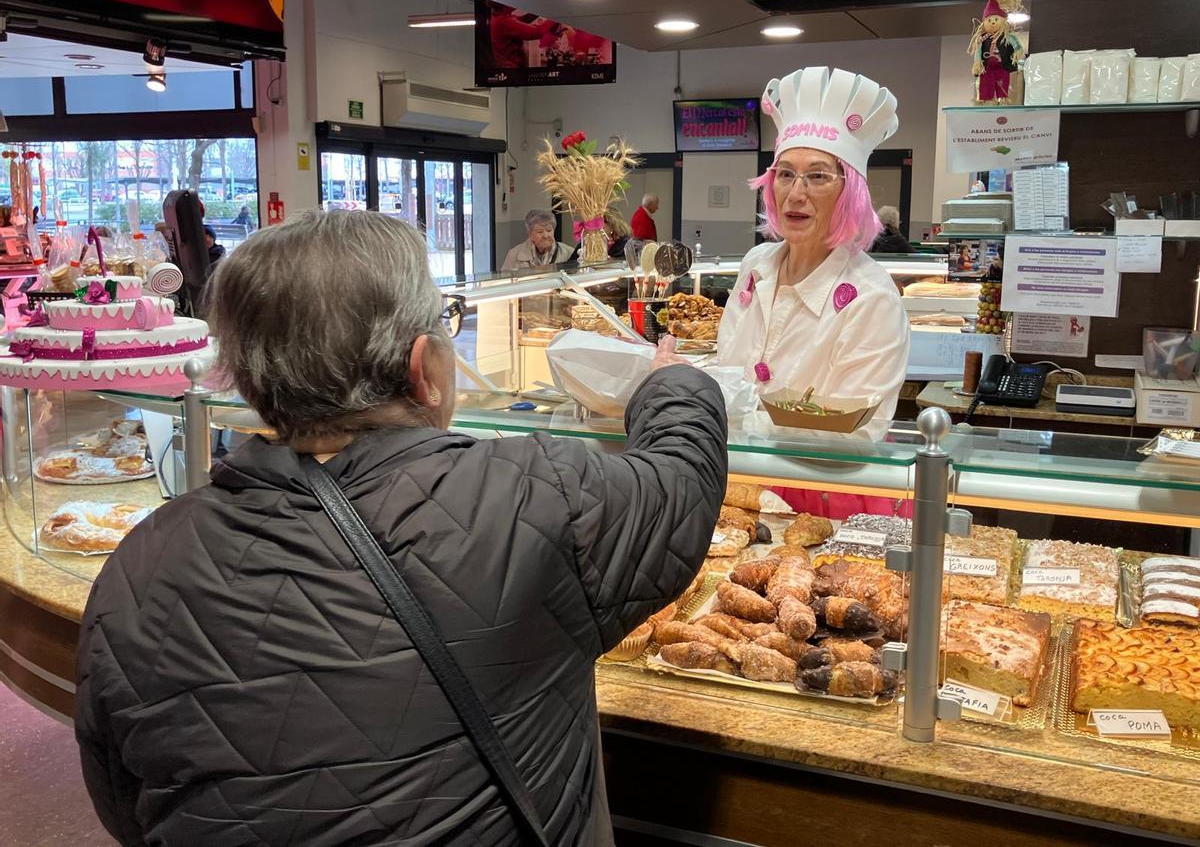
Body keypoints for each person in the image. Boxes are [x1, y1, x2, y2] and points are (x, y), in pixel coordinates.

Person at [75, 209, 728, 846]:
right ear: (425, 370)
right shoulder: (535, 495)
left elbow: (125, 803)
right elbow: (682, 482)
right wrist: (668, 384)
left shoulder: (138, 564)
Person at [717, 65, 910, 420]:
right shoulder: (756, 265)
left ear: (848, 192)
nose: (795, 193)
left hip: (812, 476)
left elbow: (854, 432)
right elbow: (727, 375)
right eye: (785, 174)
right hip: (731, 472)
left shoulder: (871, 299)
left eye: (817, 176)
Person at [501, 208, 573, 270]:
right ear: (530, 234)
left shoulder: (568, 252)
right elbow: (504, 282)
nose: (545, 235)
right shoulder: (514, 255)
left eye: (549, 230)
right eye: (540, 232)